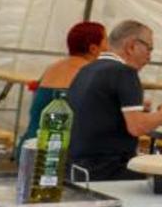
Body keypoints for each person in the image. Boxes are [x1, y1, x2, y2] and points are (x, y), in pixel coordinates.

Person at [67, 20, 162, 207]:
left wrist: (140, 109)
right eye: (148, 48)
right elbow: (137, 127)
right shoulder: (124, 74)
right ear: (131, 46)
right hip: (106, 170)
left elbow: (101, 113)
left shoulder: (86, 70)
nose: (150, 56)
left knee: (146, 177)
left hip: (75, 168)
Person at [17, 21, 107, 157]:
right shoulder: (91, 73)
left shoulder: (52, 68)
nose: (110, 47)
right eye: (106, 41)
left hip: (28, 149)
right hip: (55, 158)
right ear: (93, 49)